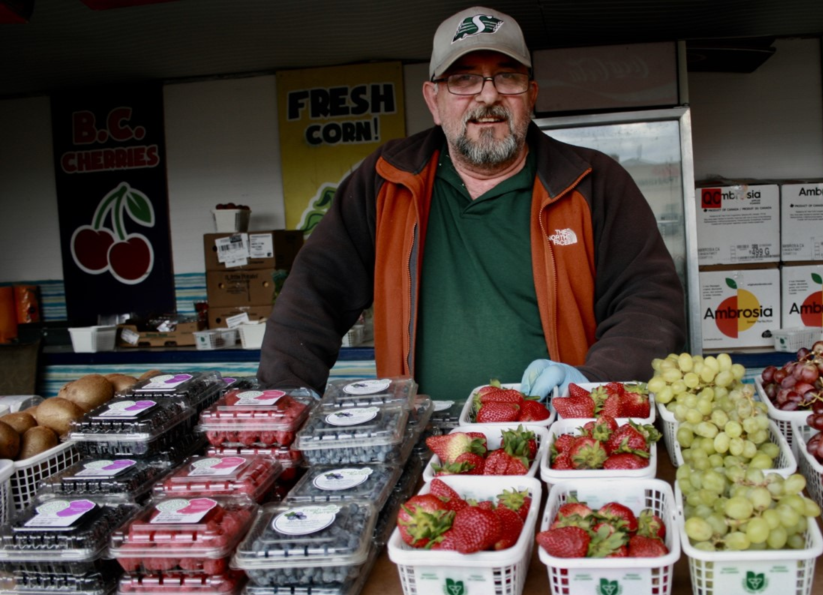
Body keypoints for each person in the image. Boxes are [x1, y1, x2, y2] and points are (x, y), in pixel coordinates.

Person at [257, 6, 686, 401]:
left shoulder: (594, 182)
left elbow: (649, 301)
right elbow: (313, 293)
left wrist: (594, 378)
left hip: (562, 439)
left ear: (530, 94)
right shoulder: (385, 181)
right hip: (426, 447)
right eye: (463, 79)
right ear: (433, 99)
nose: (487, 96)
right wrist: (284, 399)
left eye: (506, 76)